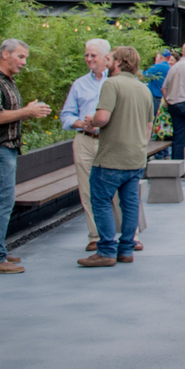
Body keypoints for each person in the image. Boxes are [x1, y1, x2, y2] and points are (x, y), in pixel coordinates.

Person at [0, 39, 52, 274]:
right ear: (5, 54)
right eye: (20, 57)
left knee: (4, 201)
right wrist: (26, 111)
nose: (24, 62)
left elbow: (8, 115)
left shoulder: (7, 81)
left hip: (6, 149)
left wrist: (27, 112)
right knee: (2, 202)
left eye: (25, 58)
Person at [77, 46, 155, 267]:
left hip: (112, 156)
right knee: (130, 203)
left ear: (119, 62)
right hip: (136, 156)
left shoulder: (111, 84)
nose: (108, 61)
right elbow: (149, 125)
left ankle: (106, 251)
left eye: (110, 58)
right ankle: (126, 249)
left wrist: (90, 120)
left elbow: (102, 117)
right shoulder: (144, 89)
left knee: (100, 201)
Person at [61, 38, 124, 253]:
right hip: (85, 140)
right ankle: (95, 235)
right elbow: (66, 115)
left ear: (107, 58)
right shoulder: (79, 84)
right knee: (87, 189)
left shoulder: (117, 82)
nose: (88, 59)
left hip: (110, 141)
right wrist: (80, 123)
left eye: (93, 55)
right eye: (86, 55)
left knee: (116, 188)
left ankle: (126, 235)